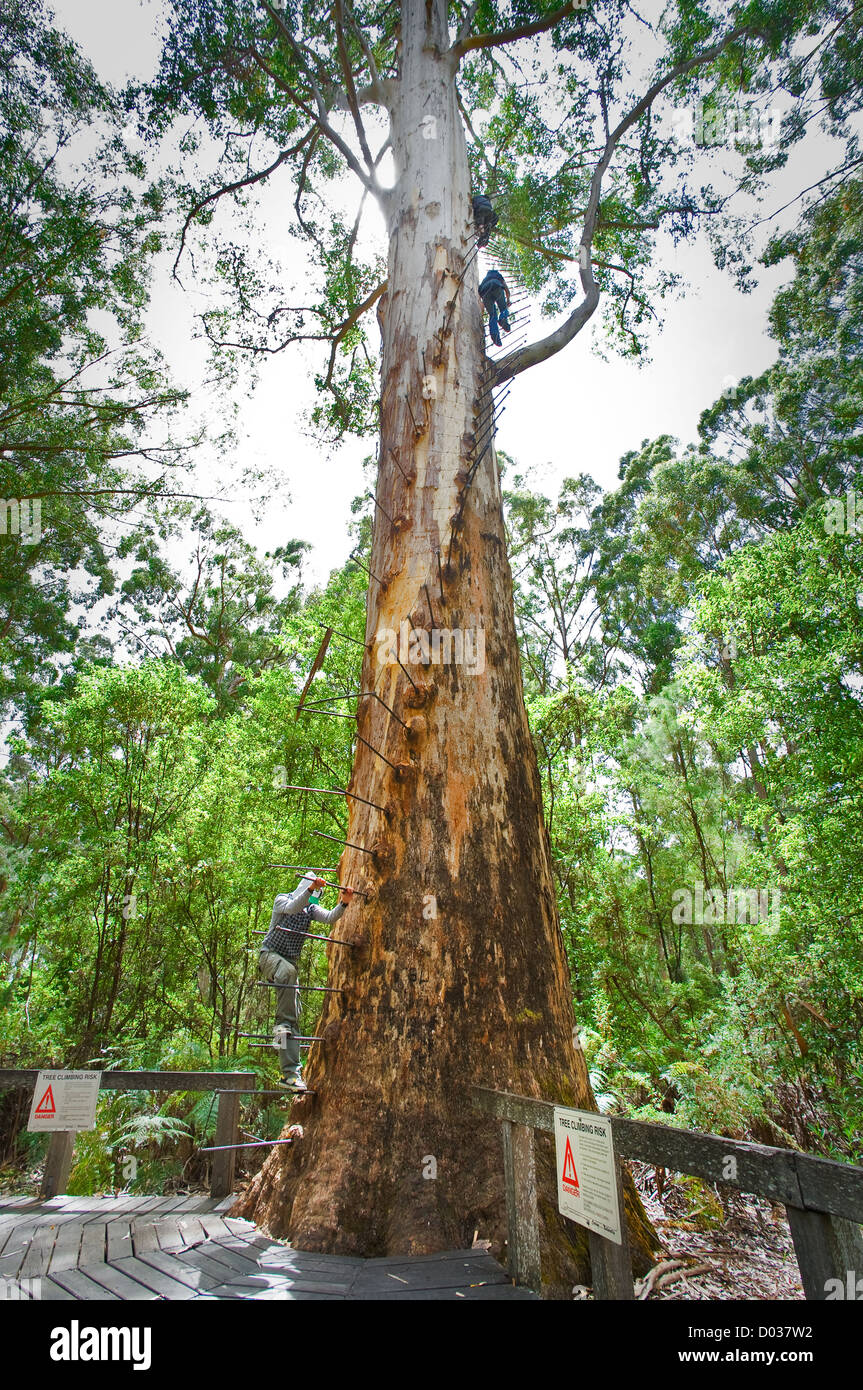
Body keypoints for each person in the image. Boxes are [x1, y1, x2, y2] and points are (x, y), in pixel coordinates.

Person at [258, 870, 355, 1093]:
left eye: (317, 892)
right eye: (312, 890)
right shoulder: (283, 899)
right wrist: (311, 888)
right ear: (305, 887)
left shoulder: (310, 910)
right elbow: (292, 908)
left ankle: (289, 1073)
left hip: (289, 967)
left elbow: (330, 917)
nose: (315, 895)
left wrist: (344, 903)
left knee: (289, 1023)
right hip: (271, 957)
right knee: (288, 973)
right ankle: (283, 1026)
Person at [479, 268, 512, 347]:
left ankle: (494, 335)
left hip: (484, 292)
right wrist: (508, 300)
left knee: (492, 315)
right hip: (496, 286)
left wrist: (482, 312)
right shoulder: (497, 275)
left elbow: (481, 302)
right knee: (503, 308)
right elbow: (506, 289)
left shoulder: (483, 281)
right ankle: (503, 319)